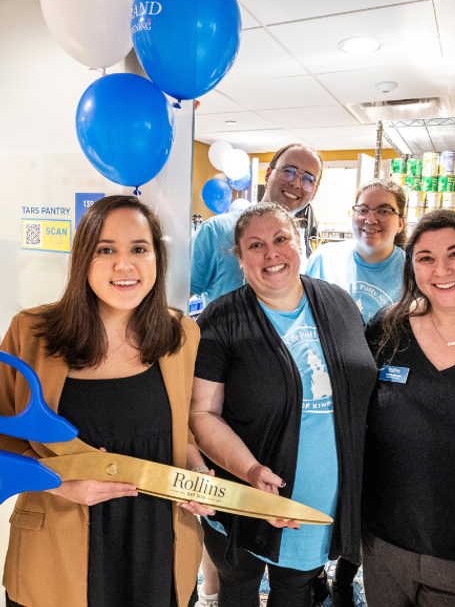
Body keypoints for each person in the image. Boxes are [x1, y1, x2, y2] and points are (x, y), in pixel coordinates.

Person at [0, 195, 211, 607]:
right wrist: (60, 483)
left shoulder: (181, 333)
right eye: (106, 250)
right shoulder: (31, 333)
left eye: (139, 249)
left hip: (157, 543)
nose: (124, 265)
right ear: (83, 259)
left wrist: (197, 473)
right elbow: (3, 434)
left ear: (156, 258)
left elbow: (180, 428)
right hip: (56, 542)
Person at [189, 202, 376, 607]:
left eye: (280, 239)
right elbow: (202, 412)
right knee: (238, 587)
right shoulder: (221, 321)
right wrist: (251, 469)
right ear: (239, 258)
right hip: (245, 496)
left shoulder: (339, 305)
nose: (271, 253)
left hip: (319, 497)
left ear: (300, 243)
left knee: (295, 592)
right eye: (255, 245)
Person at [362, 209, 455, 607]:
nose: (441, 269)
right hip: (383, 549)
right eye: (425, 258)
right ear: (412, 267)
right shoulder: (386, 330)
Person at [190, 143, 324, 304]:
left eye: (308, 179)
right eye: (288, 171)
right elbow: (174, 299)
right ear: (268, 174)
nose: (295, 183)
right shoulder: (216, 231)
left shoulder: (297, 241)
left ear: (314, 193)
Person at [305, 178, 407, 323]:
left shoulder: (413, 270)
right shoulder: (324, 259)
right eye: (363, 210)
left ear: (400, 224)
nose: (371, 219)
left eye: (384, 211)